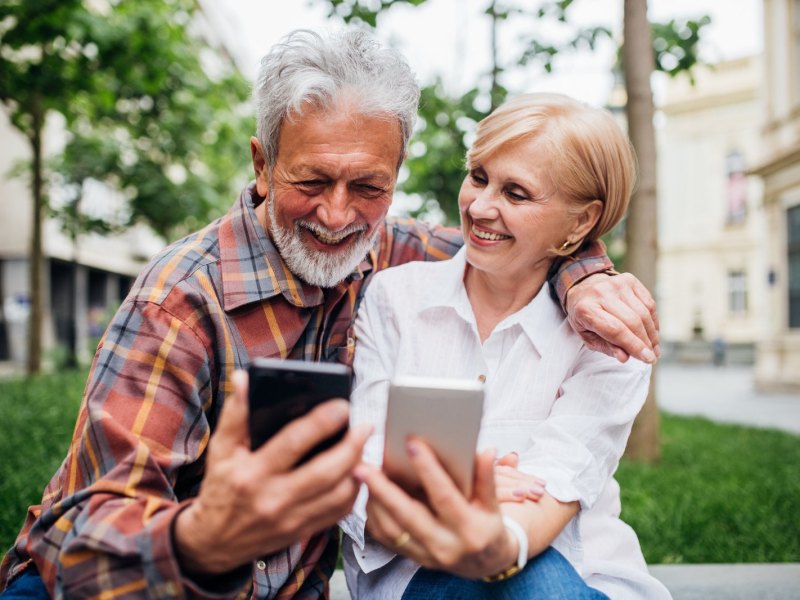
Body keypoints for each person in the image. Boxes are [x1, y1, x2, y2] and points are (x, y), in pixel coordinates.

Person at [0, 30, 659, 599]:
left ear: (395, 177)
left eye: (369, 187)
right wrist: (204, 537)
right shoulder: (178, 303)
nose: (339, 216)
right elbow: (77, 546)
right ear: (263, 165)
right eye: (311, 182)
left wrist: (585, 277)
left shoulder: (395, 253)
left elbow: (525, 246)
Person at [341, 93, 671, 599]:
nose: (479, 206)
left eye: (516, 194)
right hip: (418, 576)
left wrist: (452, 505)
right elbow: (366, 481)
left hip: (575, 572)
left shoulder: (612, 336)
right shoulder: (395, 298)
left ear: (581, 223)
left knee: (537, 585)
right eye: (478, 176)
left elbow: (544, 499)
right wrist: (462, 501)